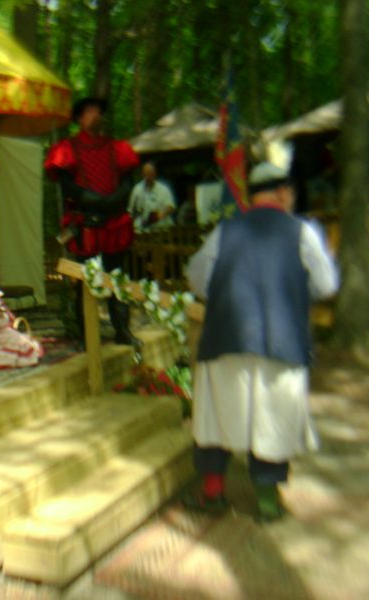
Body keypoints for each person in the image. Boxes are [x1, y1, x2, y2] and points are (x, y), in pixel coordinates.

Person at [184, 162, 339, 522]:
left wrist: (223, 294)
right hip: (282, 342)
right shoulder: (303, 232)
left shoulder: (224, 231)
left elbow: (197, 277)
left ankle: (212, 493)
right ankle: (268, 503)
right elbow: (326, 285)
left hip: (226, 337)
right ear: (283, 193)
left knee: (215, 417)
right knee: (273, 419)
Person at [44, 97, 140, 345]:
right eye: (89, 111)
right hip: (86, 223)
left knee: (118, 278)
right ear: (79, 118)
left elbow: (128, 180)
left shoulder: (117, 147)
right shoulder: (68, 148)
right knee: (85, 280)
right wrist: (93, 200)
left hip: (115, 221)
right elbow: (66, 185)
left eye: (98, 111)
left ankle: (122, 330)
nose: (95, 115)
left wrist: (114, 200)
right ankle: (88, 335)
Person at [128, 162, 176, 233]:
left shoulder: (163, 189)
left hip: (162, 228)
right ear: (142, 174)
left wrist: (159, 215)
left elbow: (171, 207)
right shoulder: (137, 189)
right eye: (147, 173)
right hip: (143, 229)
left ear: (155, 174)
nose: (149, 175)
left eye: (151, 173)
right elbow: (131, 211)